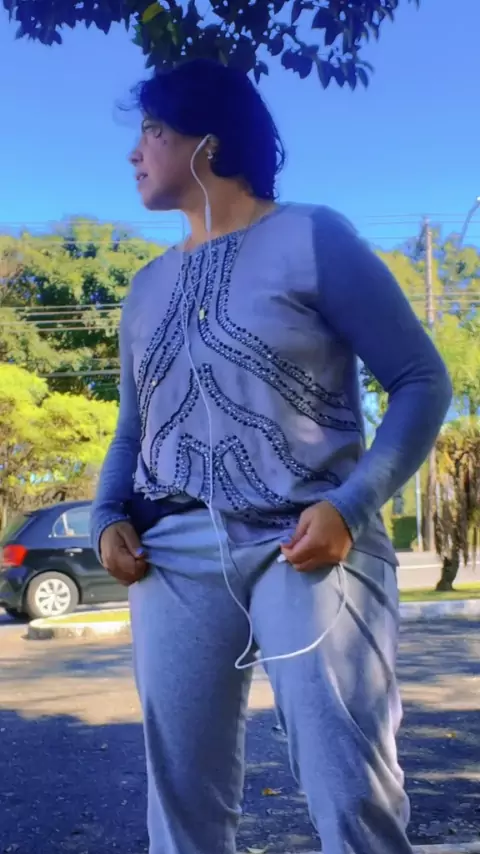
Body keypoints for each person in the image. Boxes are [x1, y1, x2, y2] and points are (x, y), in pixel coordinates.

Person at [91, 58, 452, 854]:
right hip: (171, 555)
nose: (134, 151)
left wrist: (351, 507)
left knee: (349, 790)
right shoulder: (146, 288)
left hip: (310, 539)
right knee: (181, 807)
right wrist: (108, 512)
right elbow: (132, 426)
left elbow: (421, 381)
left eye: (153, 129)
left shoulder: (313, 237)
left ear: (209, 143)